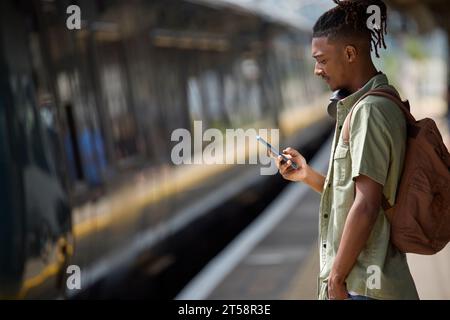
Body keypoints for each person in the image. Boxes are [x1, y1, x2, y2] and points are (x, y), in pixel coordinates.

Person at [276, 0, 418, 300]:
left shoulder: (370, 112)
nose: (316, 70)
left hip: (363, 286)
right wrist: (307, 175)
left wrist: (337, 279)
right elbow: (355, 194)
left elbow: (366, 205)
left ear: (350, 53)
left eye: (321, 59)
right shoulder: (379, 103)